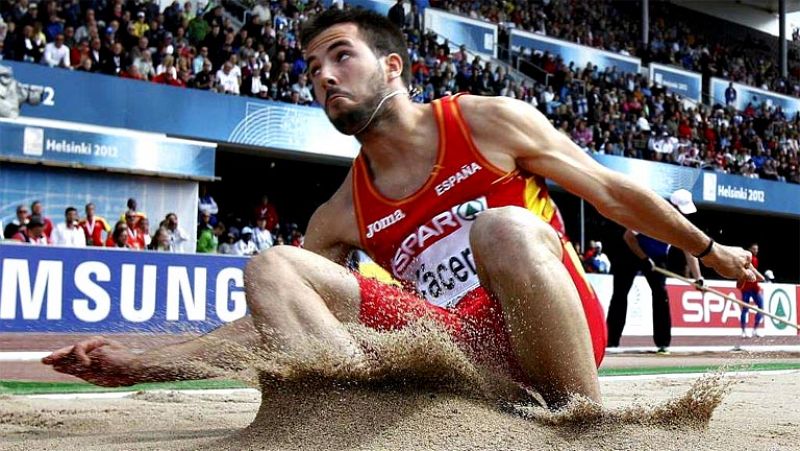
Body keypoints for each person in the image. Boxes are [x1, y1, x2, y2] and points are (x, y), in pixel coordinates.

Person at [43, 9, 756, 408]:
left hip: (556, 331)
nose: (322, 75)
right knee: (272, 268)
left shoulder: (485, 120)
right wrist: (146, 359)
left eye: (340, 56)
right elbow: (269, 320)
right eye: (312, 69)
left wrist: (710, 251)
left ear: (392, 67)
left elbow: (610, 191)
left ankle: (586, 422)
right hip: (460, 350)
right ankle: (353, 417)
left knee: (502, 224)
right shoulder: (343, 209)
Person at [605, 189, 705, 354]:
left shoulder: (682, 226)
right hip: (631, 252)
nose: (684, 215)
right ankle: (611, 341)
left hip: (657, 257)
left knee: (660, 294)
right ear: (673, 207)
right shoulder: (650, 215)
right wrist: (644, 259)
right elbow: (628, 237)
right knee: (620, 294)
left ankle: (663, 343)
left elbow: (689, 251)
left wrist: (698, 277)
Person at [740, 243, 765, 338]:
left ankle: (755, 329)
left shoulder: (756, 259)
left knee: (761, 308)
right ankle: (743, 331)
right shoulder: (745, 259)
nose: (756, 251)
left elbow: (754, 274)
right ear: (749, 249)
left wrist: (758, 277)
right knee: (745, 309)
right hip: (746, 288)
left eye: (757, 249)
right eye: (754, 249)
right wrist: (760, 277)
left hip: (754, 288)